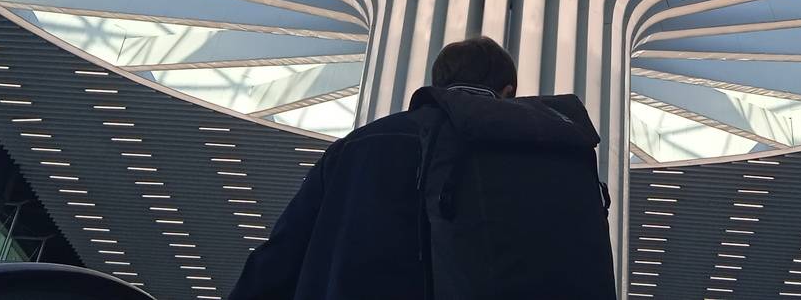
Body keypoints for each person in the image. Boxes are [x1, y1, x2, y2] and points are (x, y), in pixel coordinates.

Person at [228, 35, 617, 300]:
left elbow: (279, 261)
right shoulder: (551, 153)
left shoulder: (362, 146)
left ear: (437, 83)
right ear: (508, 92)